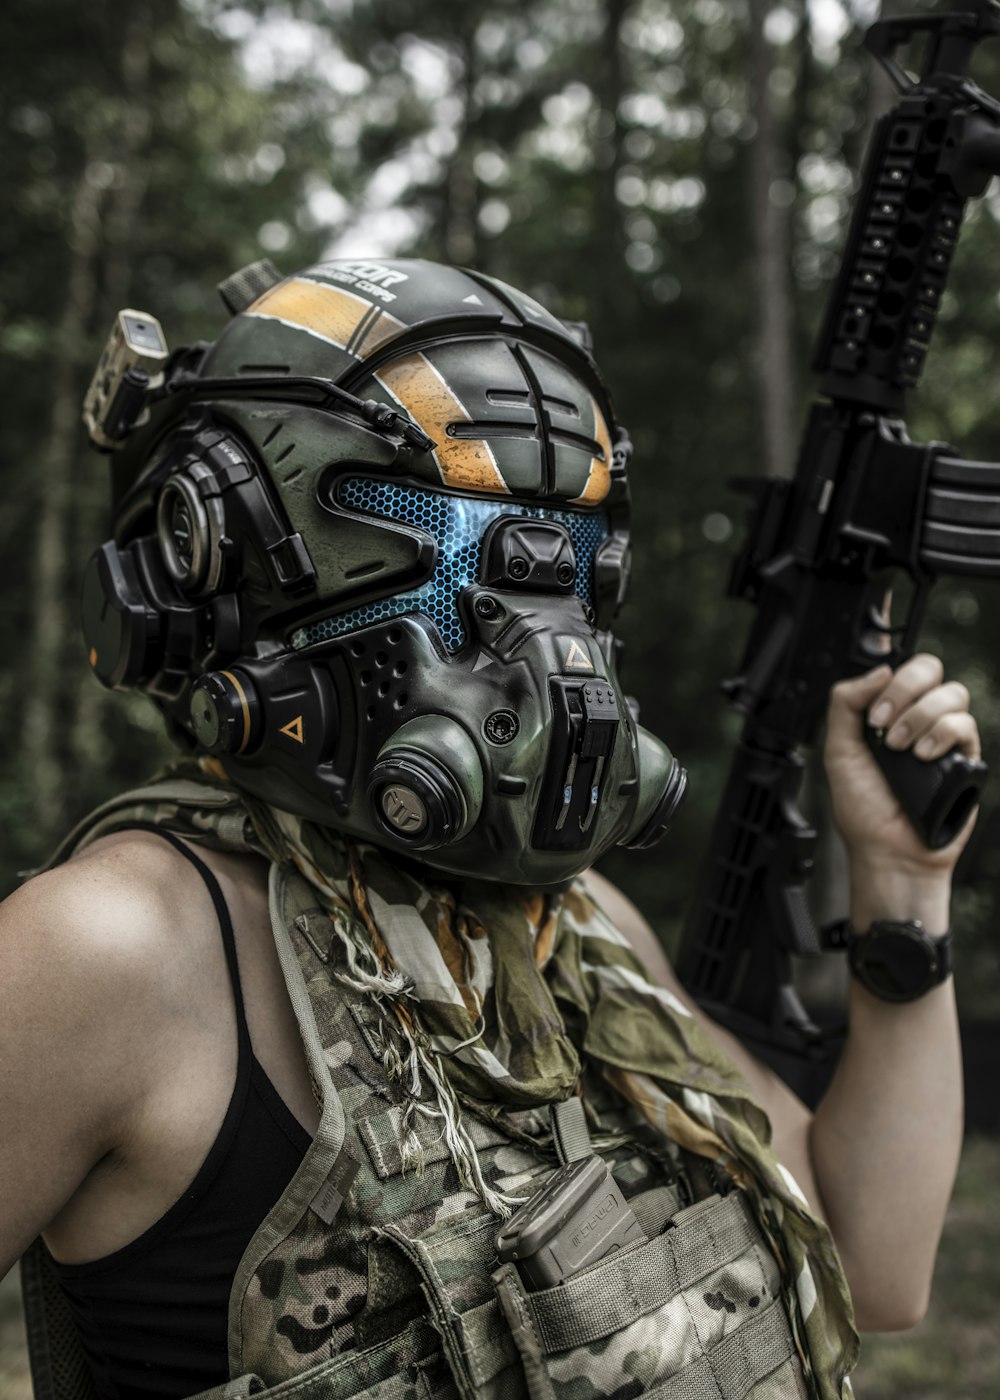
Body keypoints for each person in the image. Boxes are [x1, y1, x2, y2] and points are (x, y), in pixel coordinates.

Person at [0, 257, 978, 1400]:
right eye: (443, 544)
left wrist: (905, 884)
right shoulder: (110, 947)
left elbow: (876, 1254)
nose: (540, 640)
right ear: (210, 564)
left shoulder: (576, 929)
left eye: (566, 564)